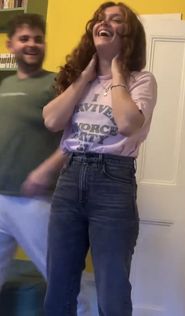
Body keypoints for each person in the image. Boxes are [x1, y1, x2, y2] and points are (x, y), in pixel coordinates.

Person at [43, 2, 157, 316]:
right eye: (99, 18)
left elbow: (127, 123)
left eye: (115, 19)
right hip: (70, 179)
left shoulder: (141, 81)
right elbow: (52, 120)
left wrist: (117, 70)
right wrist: (86, 77)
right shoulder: (81, 79)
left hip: (113, 182)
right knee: (59, 283)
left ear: (128, 33)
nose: (102, 22)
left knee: (112, 286)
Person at [0, 13, 91, 316]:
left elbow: (80, 134)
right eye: (24, 38)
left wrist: (45, 169)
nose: (32, 44)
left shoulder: (56, 84)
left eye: (38, 38)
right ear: (10, 44)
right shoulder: (5, 84)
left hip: (35, 201)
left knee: (60, 276)